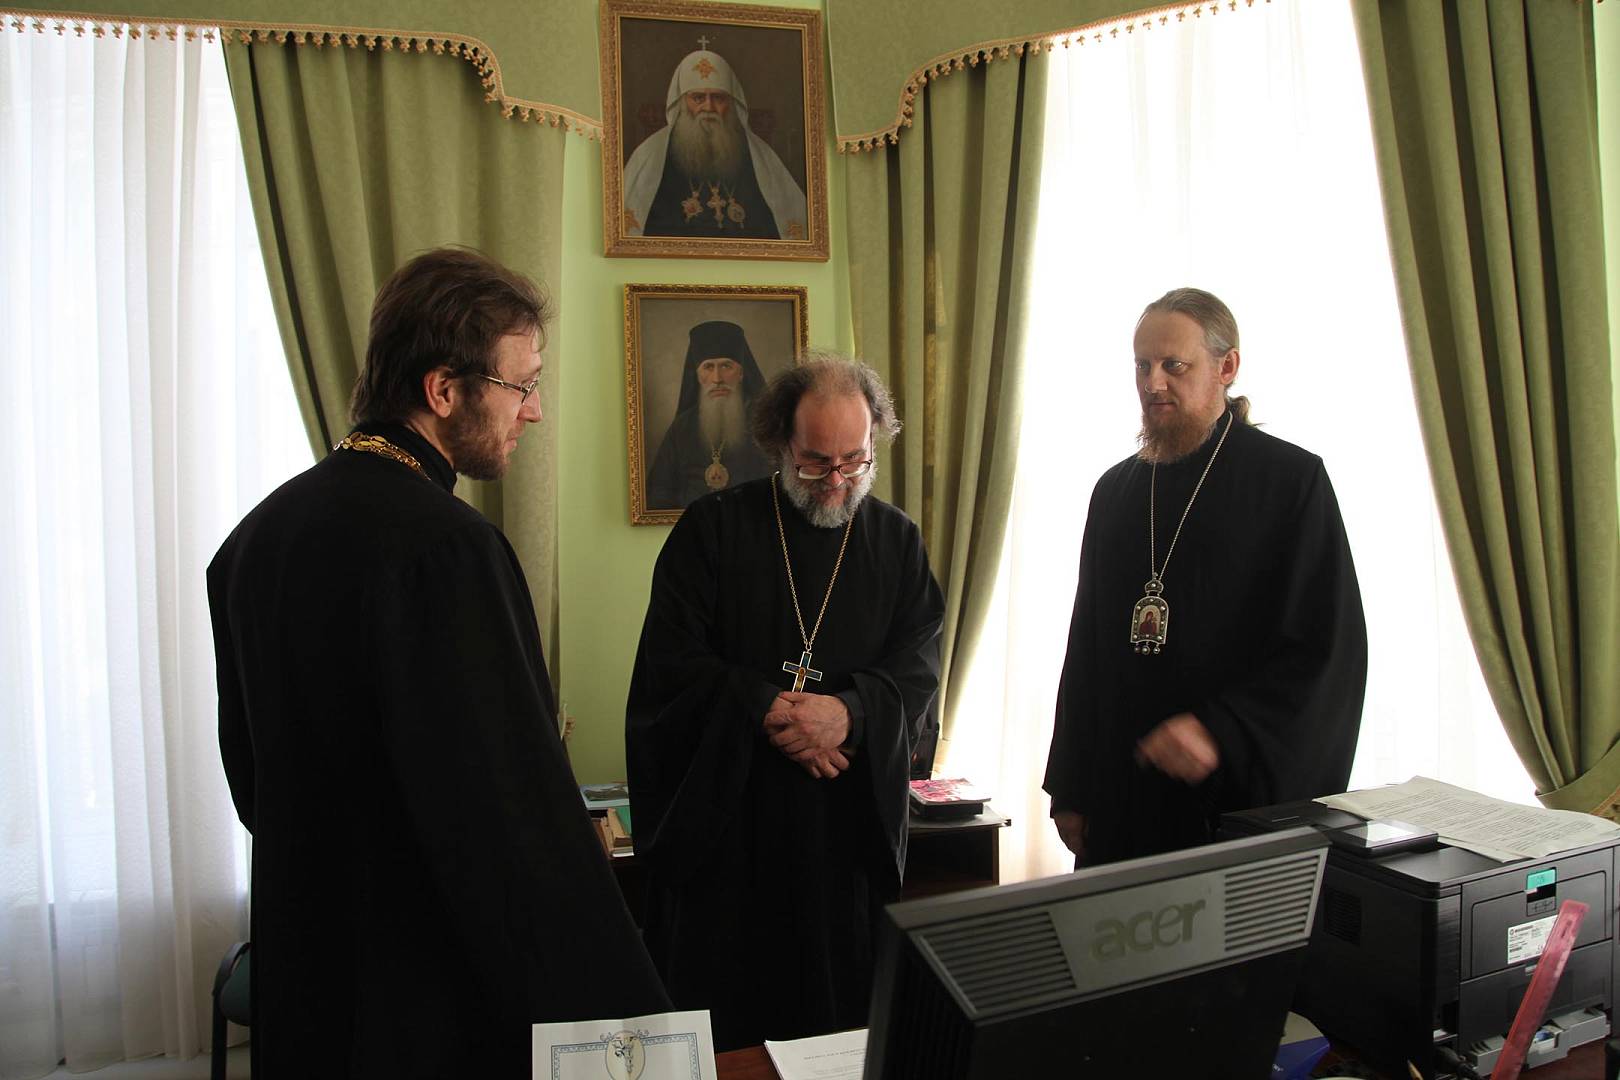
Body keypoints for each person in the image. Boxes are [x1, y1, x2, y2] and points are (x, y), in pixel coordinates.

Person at [208, 248, 668, 1078]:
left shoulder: (253, 541)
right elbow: (510, 818)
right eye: (523, 385)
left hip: (305, 970)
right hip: (421, 996)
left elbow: (251, 783)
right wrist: (633, 1017)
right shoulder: (451, 550)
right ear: (445, 390)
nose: (535, 411)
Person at [626, 353, 944, 1051]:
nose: (837, 481)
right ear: (779, 444)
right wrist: (767, 705)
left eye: (854, 461)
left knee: (837, 1031)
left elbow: (919, 667)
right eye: (815, 462)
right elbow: (669, 666)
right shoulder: (712, 530)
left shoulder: (896, 541)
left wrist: (849, 712)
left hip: (841, 838)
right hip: (729, 835)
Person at [1044, 287, 1368, 868]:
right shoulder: (1115, 492)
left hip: (1229, 803)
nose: (1153, 383)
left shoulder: (1291, 482)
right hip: (1124, 795)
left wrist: (1221, 731)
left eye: (1174, 365)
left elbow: (1327, 653)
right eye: (1142, 365)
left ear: (1227, 367)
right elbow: (1086, 646)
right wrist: (1070, 788)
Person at [622, 45, 808, 240]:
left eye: (718, 98)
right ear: (683, 102)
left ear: (731, 103)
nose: (708, 107)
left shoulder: (760, 155)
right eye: (698, 98)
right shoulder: (650, 153)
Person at [646, 320, 773, 509]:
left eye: (726, 366)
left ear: (741, 374)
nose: (717, 379)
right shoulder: (682, 427)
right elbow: (659, 490)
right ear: (698, 376)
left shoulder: (765, 424)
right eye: (708, 367)